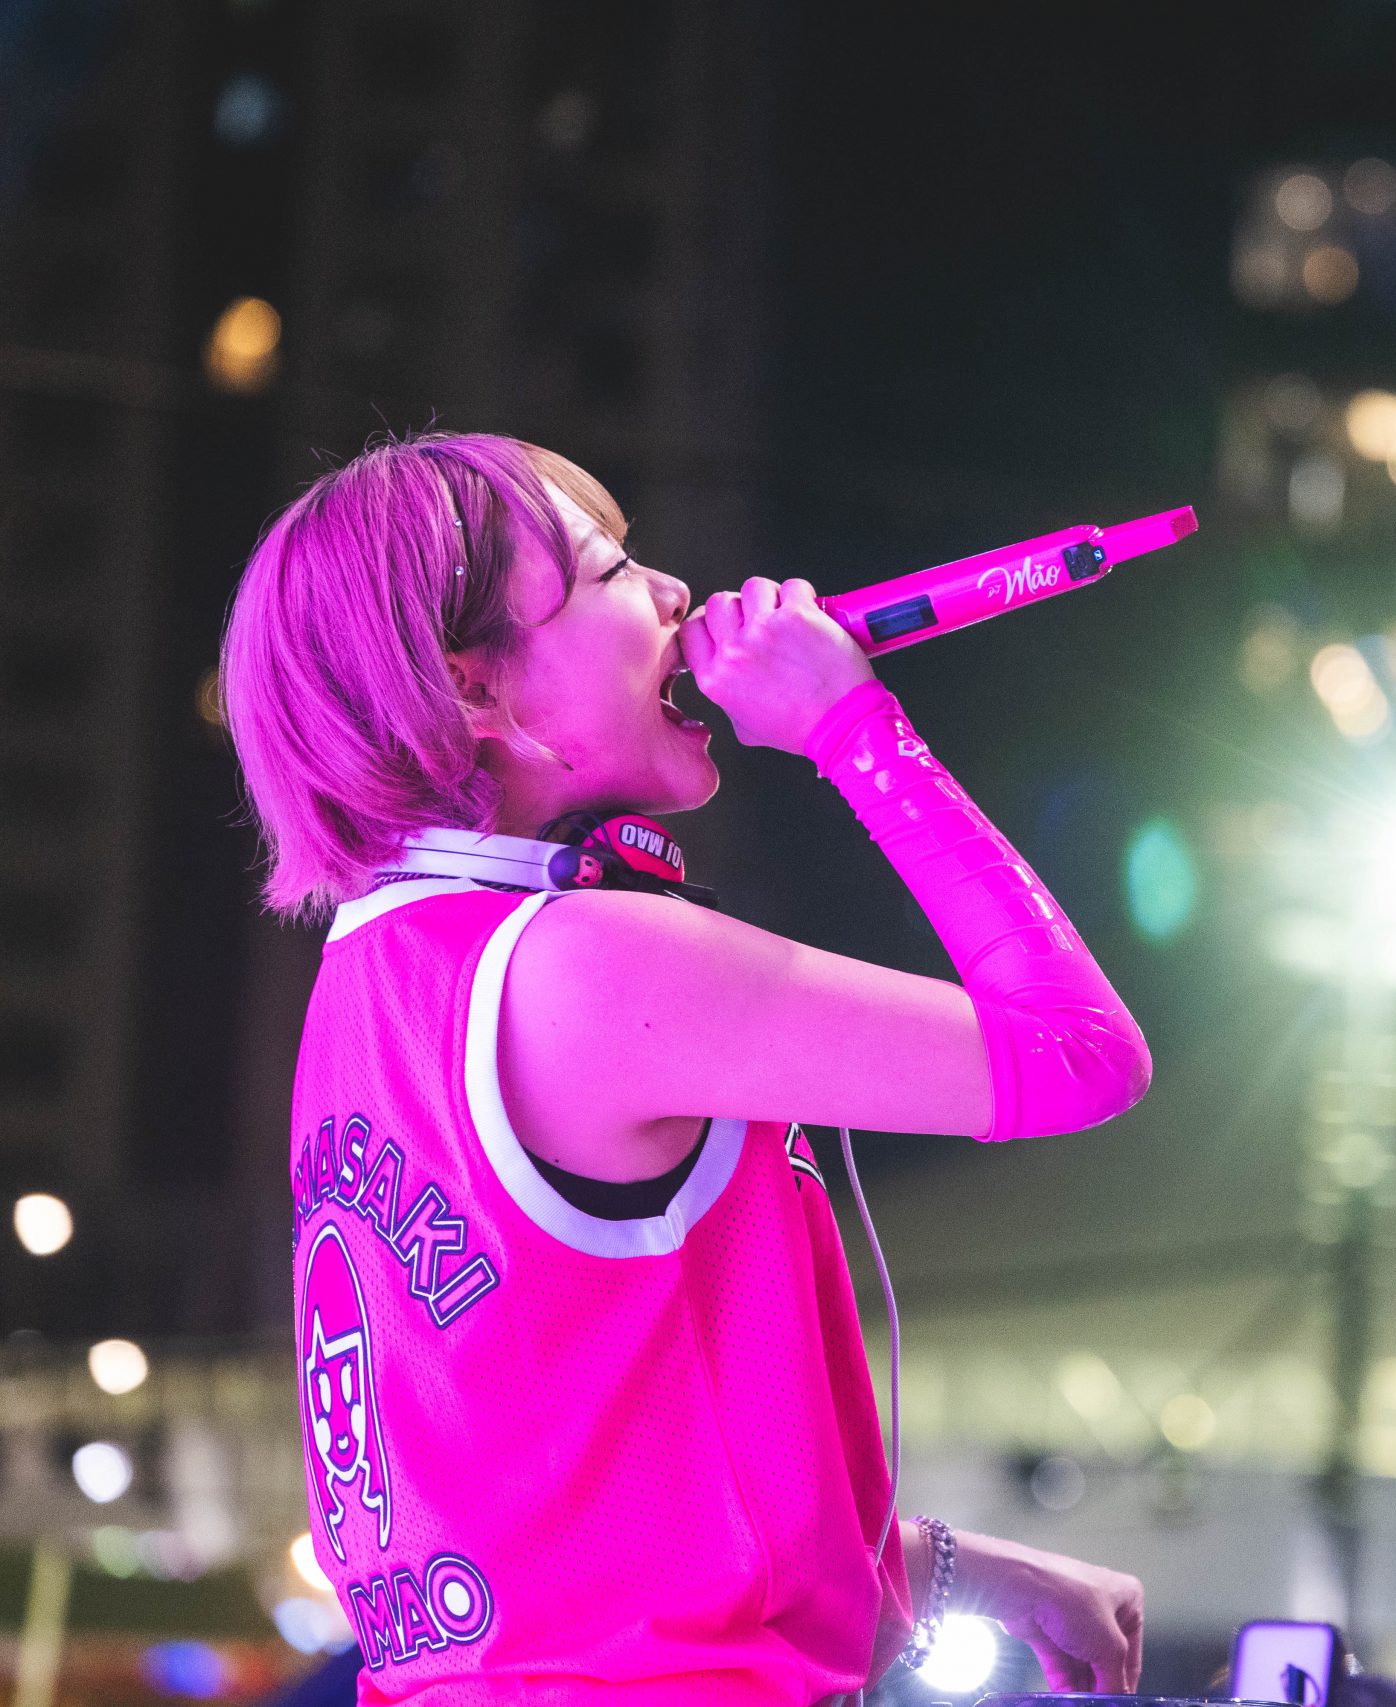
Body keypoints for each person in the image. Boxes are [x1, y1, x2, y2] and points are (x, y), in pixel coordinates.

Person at [221, 431, 1151, 1703]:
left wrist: (953, 1570)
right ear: (475, 691)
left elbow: (582, 1498)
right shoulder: (586, 964)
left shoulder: (370, 982)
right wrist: (852, 730)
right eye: (611, 574)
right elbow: (1077, 1055)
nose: (675, 593)